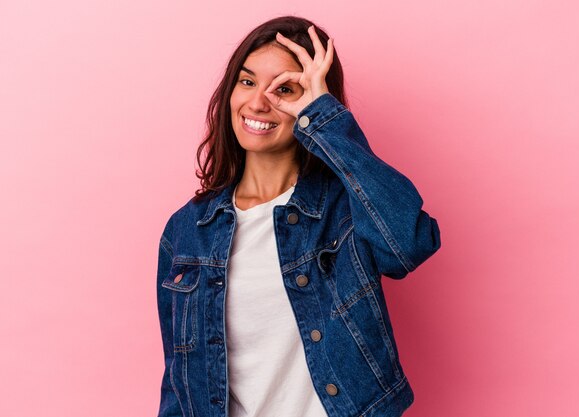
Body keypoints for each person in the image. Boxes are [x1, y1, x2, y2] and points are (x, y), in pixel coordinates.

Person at [156, 15, 441, 417]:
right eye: (248, 81)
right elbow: (180, 382)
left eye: (284, 89)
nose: (258, 103)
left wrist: (323, 118)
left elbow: (410, 243)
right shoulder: (187, 231)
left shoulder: (344, 210)